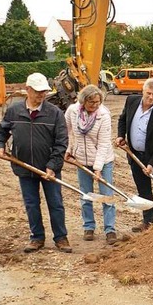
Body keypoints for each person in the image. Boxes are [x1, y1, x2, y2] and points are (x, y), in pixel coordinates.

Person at [0, 73, 71, 253]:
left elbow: (61, 142)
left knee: (56, 203)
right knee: (31, 204)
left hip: (48, 169)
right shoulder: (14, 111)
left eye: (43, 92)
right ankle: (36, 237)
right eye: (37, 92)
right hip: (24, 167)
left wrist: (52, 166)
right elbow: (2, 130)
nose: (41, 95)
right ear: (27, 90)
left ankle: (61, 237)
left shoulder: (55, 113)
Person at [116, 79, 153, 232]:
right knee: (143, 190)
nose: (151, 97)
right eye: (149, 93)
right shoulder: (131, 101)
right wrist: (121, 135)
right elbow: (122, 119)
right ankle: (148, 221)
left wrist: (152, 163)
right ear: (143, 91)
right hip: (135, 157)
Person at [65, 85, 117, 245]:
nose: (95, 105)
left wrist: (98, 168)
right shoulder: (72, 111)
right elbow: (67, 131)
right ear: (83, 101)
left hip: (103, 160)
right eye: (91, 102)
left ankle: (110, 229)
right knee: (85, 195)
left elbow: (103, 143)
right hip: (82, 160)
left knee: (106, 195)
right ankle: (89, 226)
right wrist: (69, 149)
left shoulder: (103, 115)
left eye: (97, 102)